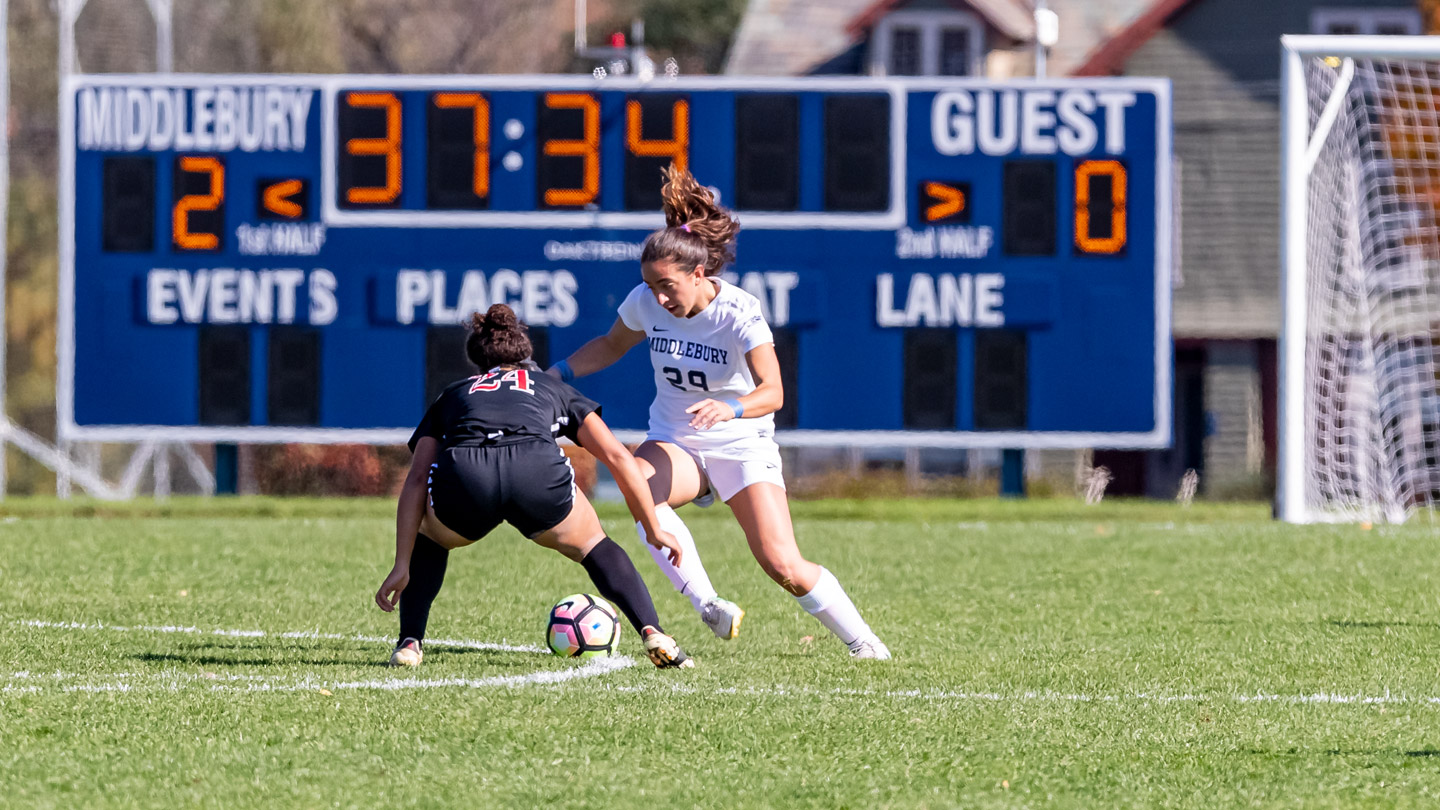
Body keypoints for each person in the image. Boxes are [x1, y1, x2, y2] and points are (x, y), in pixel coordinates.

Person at [548, 166, 890, 659]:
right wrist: (557, 373)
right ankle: (707, 603)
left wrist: (731, 407)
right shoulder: (646, 302)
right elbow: (608, 345)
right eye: (649, 285)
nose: (658, 298)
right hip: (676, 439)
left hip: (740, 442)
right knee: (641, 494)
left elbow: (773, 392)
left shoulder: (740, 312)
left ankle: (864, 643)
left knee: (783, 565)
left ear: (699, 273)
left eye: (667, 286)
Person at [375, 303, 694, 669]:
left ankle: (410, 643)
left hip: (469, 479)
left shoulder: (455, 393)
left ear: (476, 361)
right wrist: (653, 528)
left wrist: (402, 564)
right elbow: (619, 458)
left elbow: (417, 476)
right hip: (536, 474)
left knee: (431, 536)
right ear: (525, 353)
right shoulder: (551, 387)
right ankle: (653, 631)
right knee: (593, 543)